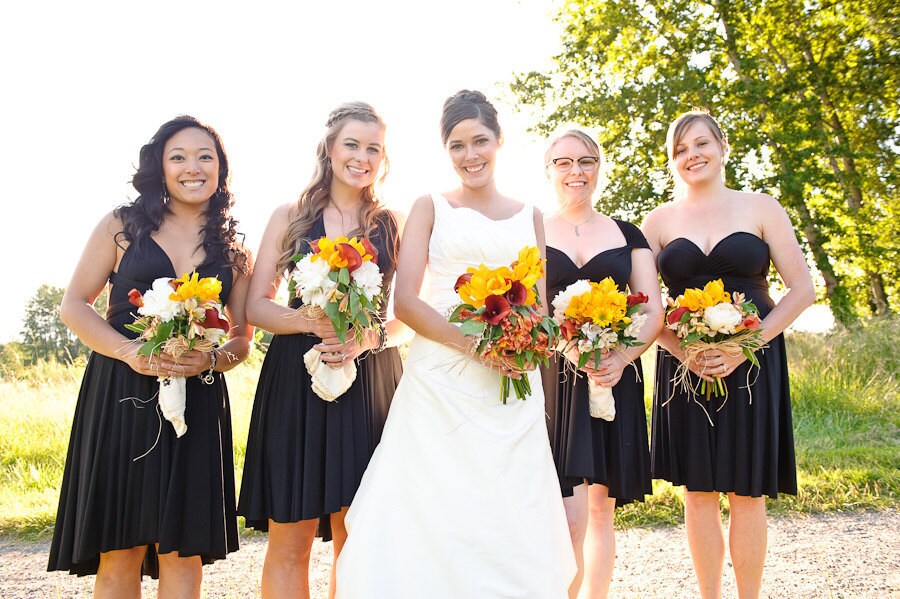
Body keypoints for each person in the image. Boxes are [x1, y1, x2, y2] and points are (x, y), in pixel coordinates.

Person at [335, 90, 576, 598]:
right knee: (433, 505)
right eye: (457, 145)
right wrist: (475, 347)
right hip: (440, 381)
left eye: (480, 141)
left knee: (507, 507)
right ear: (446, 151)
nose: (470, 155)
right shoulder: (429, 207)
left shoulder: (530, 214)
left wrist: (519, 344)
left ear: (499, 140)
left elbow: (536, 302)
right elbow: (406, 302)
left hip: (511, 381)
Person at [48, 116, 252, 598]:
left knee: (182, 550)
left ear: (221, 168)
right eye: (178, 156)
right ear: (159, 166)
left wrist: (209, 361)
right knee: (119, 548)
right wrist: (129, 351)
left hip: (197, 401)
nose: (193, 167)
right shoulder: (122, 226)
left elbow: (242, 341)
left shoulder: (234, 248)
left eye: (206, 156)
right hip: (121, 392)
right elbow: (74, 305)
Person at [642, 110, 815, 599]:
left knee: (747, 491)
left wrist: (745, 347)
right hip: (685, 367)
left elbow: (801, 291)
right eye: (680, 150)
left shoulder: (761, 207)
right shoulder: (658, 222)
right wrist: (682, 352)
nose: (691, 156)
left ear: (723, 147)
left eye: (700, 144)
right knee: (696, 493)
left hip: (754, 364)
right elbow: (648, 308)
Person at [237, 101, 404, 599]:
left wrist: (365, 338)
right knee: (293, 533)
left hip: (370, 381)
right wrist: (306, 320)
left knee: (358, 533)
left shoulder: (392, 224)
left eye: (374, 147)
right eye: (352, 144)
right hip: (296, 380)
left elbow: (410, 314)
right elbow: (255, 306)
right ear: (329, 149)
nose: (362, 156)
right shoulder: (290, 217)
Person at [541, 129, 663, 598]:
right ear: (549, 171)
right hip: (555, 378)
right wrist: (571, 349)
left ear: (599, 167)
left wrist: (622, 357)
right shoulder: (533, 230)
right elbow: (529, 308)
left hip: (615, 376)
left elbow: (652, 310)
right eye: (564, 162)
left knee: (599, 511)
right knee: (565, 512)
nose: (576, 171)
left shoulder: (628, 234)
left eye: (587, 161)